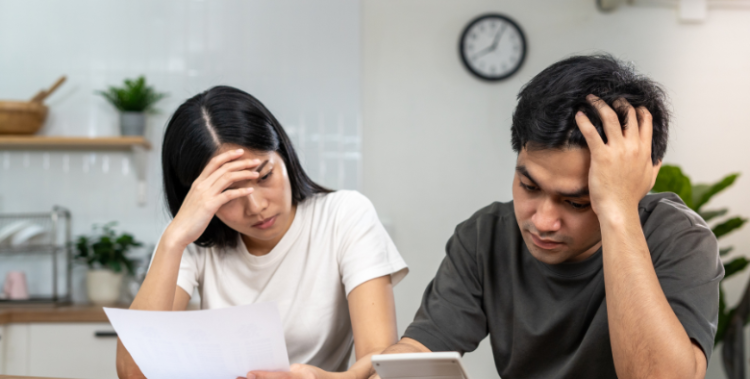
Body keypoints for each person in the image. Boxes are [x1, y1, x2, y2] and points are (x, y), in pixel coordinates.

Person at [370, 55, 723, 379]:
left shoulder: (678, 238)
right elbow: (421, 348)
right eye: (528, 186)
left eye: (578, 203)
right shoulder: (485, 237)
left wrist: (617, 211)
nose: (542, 221)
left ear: (637, 179)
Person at [116, 86, 408, 379]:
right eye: (228, 194)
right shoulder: (191, 240)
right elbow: (133, 374)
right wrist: (173, 238)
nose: (256, 207)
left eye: (265, 175)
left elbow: (378, 361)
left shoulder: (344, 215)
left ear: (283, 153)